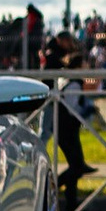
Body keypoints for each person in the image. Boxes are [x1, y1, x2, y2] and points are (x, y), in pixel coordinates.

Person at [45, 32, 92, 198]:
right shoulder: (74, 85)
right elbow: (72, 109)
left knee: (76, 165)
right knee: (76, 166)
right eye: (85, 64)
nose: (88, 67)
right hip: (66, 130)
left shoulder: (71, 82)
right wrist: (87, 111)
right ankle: (53, 191)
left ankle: (72, 202)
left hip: (67, 129)